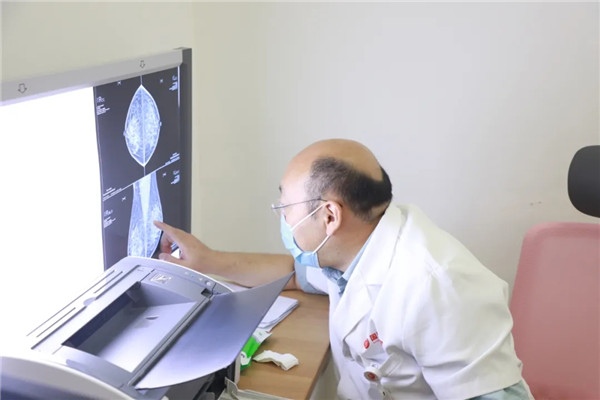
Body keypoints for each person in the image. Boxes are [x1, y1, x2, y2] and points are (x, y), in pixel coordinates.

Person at [154, 139, 531, 399]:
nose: (283, 219)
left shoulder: (438, 287)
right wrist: (206, 260)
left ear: (329, 216)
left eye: (285, 208)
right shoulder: (358, 244)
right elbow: (294, 273)